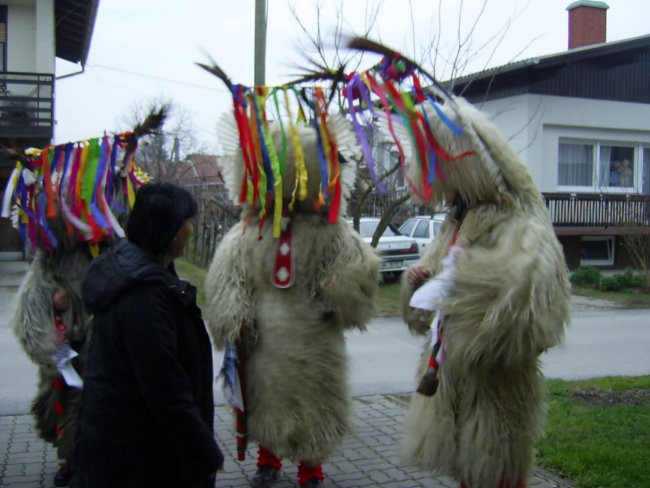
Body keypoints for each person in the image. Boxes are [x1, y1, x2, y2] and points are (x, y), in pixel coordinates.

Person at [396, 96, 571, 488]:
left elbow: (537, 313)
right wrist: (417, 288)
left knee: (499, 476)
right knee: (467, 475)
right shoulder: (455, 222)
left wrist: (469, 289)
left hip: (497, 393)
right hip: (451, 384)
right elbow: (428, 314)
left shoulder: (520, 224)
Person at [204, 109, 380, 488]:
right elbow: (229, 277)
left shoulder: (331, 230)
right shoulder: (249, 230)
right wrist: (235, 317)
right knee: (267, 399)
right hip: (266, 338)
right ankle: (268, 461)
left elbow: (357, 271)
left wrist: (339, 288)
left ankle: (311, 469)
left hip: (316, 337)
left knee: (315, 404)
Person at [72, 182, 224, 488]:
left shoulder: (137, 267)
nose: (192, 230)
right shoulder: (144, 296)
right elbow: (164, 386)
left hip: (127, 442)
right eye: (189, 223)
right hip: (138, 456)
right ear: (170, 231)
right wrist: (204, 454)